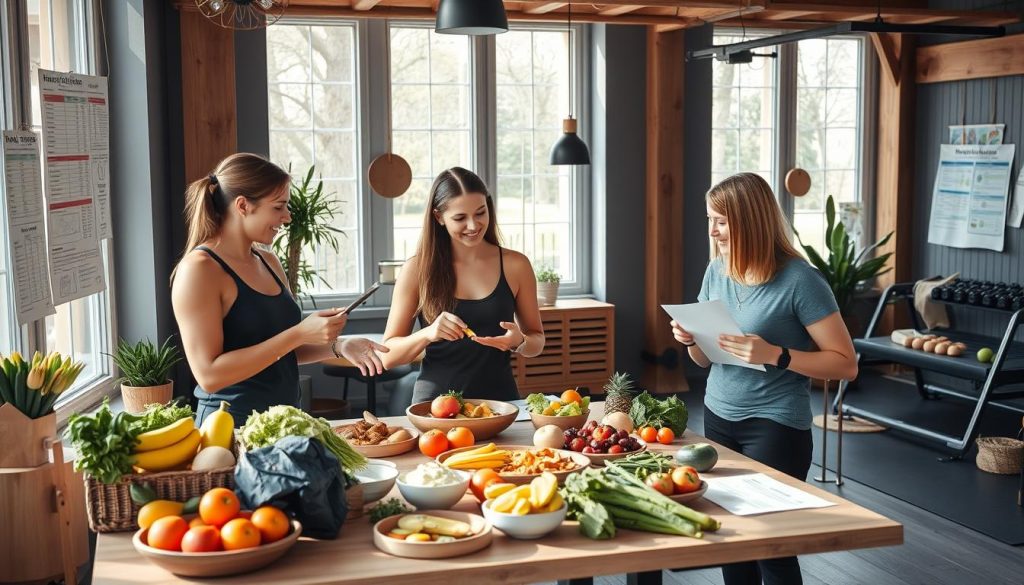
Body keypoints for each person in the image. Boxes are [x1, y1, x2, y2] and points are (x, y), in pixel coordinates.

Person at [669, 172, 858, 585]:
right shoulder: (717, 270)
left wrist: (777, 355)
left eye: (721, 220)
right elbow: (703, 360)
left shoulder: (801, 281)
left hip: (775, 426)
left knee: (772, 546)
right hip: (718, 416)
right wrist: (689, 338)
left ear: (750, 221)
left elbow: (846, 364)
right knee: (735, 545)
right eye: (710, 218)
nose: (712, 230)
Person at [171, 153, 386, 426]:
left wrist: (340, 346)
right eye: (278, 207)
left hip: (284, 423)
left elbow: (282, 353)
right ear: (243, 205)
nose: (287, 217)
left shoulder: (268, 261)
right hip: (229, 430)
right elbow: (209, 375)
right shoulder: (200, 270)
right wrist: (298, 333)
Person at [382, 167, 545, 403]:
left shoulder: (516, 265)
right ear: (438, 217)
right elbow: (388, 357)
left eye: (481, 213)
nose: (473, 225)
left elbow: (537, 341)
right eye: (460, 218)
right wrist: (428, 334)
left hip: (501, 405)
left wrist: (519, 341)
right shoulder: (416, 270)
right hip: (435, 407)